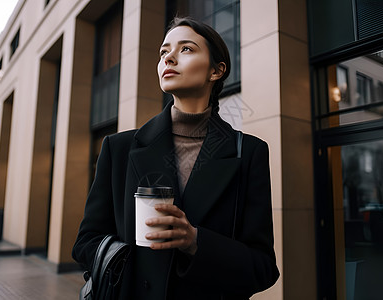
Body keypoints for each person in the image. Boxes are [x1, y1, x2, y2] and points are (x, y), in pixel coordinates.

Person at [72, 16, 279, 300]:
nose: (169, 58)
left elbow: (263, 268)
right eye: (163, 52)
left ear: (216, 71)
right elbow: (85, 243)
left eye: (186, 49)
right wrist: (130, 266)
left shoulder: (249, 153)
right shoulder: (118, 148)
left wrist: (195, 241)